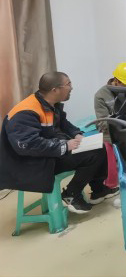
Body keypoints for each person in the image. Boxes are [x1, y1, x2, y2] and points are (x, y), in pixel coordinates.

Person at [0, 72, 118, 214]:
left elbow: (64, 124)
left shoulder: (49, 104)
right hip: (30, 163)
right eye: (68, 84)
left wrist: (77, 134)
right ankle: (71, 194)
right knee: (93, 155)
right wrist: (64, 145)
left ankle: (99, 191)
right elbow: (28, 145)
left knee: (100, 146)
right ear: (55, 90)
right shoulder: (25, 113)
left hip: (47, 153)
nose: (71, 87)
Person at [94, 62, 126, 141]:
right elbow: (102, 123)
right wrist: (122, 124)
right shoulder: (101, 95)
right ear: (117, 81)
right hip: (111, 131)